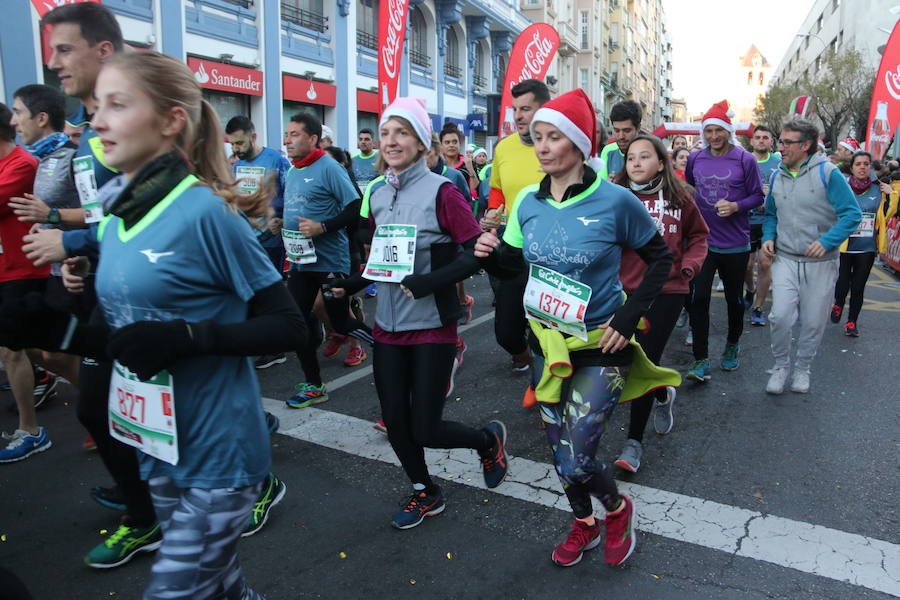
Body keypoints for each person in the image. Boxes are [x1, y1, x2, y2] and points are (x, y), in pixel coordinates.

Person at [1, 50, 307, 599]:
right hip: (159, 446)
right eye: (95, 107)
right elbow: (130, 340)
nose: (96, 121)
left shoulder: (205, 212)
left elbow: (288, 326)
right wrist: (53, 331)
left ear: (171, 121)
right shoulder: (121, 214)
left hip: (220, 454)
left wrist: (189, 337)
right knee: (220, 587)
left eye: (116, 105)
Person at [475, 89, 679, 567]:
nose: (541, 146)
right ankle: (584, 523)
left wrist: (627, 320)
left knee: (577, 457)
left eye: (553, 137)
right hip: (547, 344)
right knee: (558, 449)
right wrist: (488, 253)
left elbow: (660, 259)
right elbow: (515, 266)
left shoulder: (616, 200)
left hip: (599, 343)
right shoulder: (527, 200)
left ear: (579, 145)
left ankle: (618, 510)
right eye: (537, 137)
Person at [330, 97, 509, 530]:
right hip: (389, 326)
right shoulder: (376, 194)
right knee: (395, 421)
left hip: (432, 324)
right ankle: (424, 491)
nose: (391, 140)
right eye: (386, 132)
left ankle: (488, 440)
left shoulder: (442, 191)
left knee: (425, 428)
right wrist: (349, 286)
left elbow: (476, 252)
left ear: (421, 142)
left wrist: (430, 282)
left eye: (401, 132)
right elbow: (381, 264)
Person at [611, 135, 708, 473]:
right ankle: (663, 391)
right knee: (619, 363)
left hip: (668, 291)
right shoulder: (614, 198)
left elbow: (699, 236)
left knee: (642, 362)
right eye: (630, 158)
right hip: (622, 292)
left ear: (662, 162)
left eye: (644, 156)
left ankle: (633, 442)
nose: (635, 163)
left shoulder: (680, 198)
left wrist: (691, 264)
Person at [762, 118, 861, 394]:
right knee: (779, 316)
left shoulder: (828, 173)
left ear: (805, 145)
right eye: (780, 141)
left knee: (814, 321)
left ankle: (803, 367)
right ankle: (781, 366)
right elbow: (771, 213)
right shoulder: (776, 175)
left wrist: (827, 241)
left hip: (821, 263)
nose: (780, 147)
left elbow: (852, 214)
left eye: (786, 142)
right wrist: (768, 237)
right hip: (786, 259)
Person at [281, 112, 373, 407]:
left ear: (312, 139)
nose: (287, 140)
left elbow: (355, 206)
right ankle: (314, 384)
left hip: (329, 261)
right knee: (297, 320)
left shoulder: (329, 167)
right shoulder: (293, 171)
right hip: (300, 261)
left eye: (294, 134)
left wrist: (323, 227)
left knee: (340, 321)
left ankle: (388, 347)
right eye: (286, 134)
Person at [8, 84, 82, 408]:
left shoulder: (71, 157)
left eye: (18, 113)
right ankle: (97, 399)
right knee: (43, 347)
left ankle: (100, 404)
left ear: (40, 118)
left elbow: (98, 213)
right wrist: (44, 224)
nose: (13, 121)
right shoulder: (40, 159)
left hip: (77, 269)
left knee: (60, 348)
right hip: (51, 267)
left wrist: (51, 214)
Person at [684, 101, 764, 382]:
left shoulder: (745, 160)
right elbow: (690, 188)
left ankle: (732, 345)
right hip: (703, 241)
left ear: (728, 131)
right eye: (709, 131)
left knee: (733, 300)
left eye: (719, 131)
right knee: (700, 298)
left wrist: (736, 206)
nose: (714, 137)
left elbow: (758, 196)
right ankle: (701, 360)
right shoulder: (695, 159)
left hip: (735, 242)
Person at [482, 79, 550, 377]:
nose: (519, 116)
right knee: (506, 331)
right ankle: (523, 356)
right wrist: (492, 214)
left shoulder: (556, 145)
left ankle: (543, 380)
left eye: (526, 109)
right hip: (513, 246)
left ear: (544, 109)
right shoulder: (504, 148)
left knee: (546, 327)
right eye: (515, 110)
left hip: (552, 250)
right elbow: (497, 188)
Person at [0, 102, 51, 463]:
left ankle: (31, 430)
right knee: (42, 350)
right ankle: (48, 375)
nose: (19, 121)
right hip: (5, 269)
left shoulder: (23, 163)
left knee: (12, 349)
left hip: (25, 268)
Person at [225, 116, 291, 370]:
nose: (237, 149)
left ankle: (276, 349)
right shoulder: (236, 165)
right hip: (245, 239)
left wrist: (281, 219)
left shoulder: (276, 160)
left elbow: (291, 192)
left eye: (240, 143)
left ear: (253, 137)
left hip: (270, 240)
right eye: (232, 144)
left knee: (267, 293)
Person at [831, 151, 891, 336]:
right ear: (852, 168)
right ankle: (839, 303)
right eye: (858, 164)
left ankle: (852, 322)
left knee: (858, 286)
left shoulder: (879, 188)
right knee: (842, 281)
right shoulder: (843, 186)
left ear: (870, 167)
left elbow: (887, 214)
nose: (862, 167)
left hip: (867, 247)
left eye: (866, 164)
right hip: (844, 244)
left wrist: (891, 195)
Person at [745, 125, 781, 326]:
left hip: (769, 221)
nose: (761, 141)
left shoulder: (778, 162)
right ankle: (750, 289)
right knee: (747, 265)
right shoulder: (744, 160)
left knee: (765, 264)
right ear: (752, 141)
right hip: (747, 221)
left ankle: (758, 307)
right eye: (757, 137)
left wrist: (772, 196)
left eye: (765, 137)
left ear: (771, 141)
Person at [598, 99, 642, 180]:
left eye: (627, 130)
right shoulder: (608, 150)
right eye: (616, 130)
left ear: (638, 128)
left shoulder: (650, 152)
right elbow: (602, 184)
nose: (621, 136)